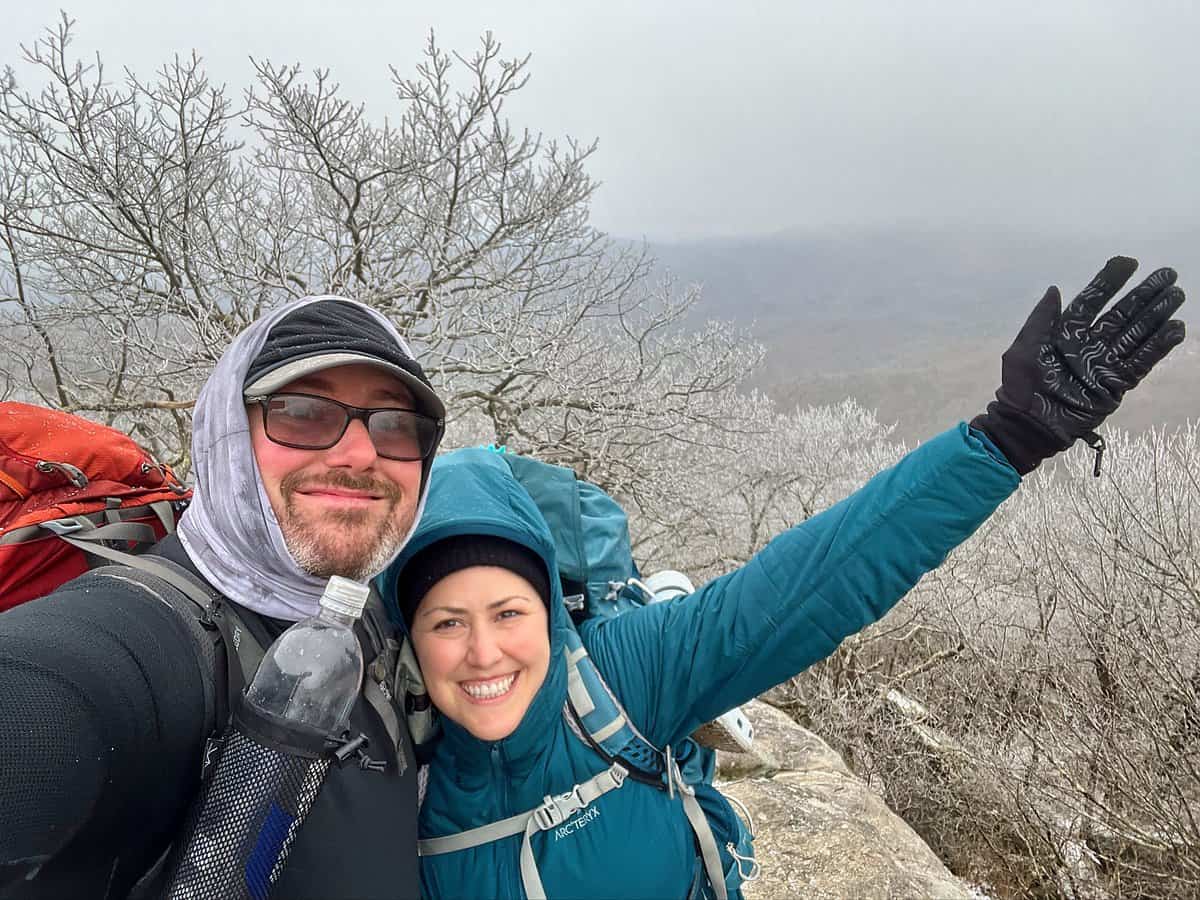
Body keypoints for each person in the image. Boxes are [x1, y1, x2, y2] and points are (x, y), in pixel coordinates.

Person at [380, 256, 1186, 900]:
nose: (483, 651)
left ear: (552, 611)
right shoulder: (386, 765)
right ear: (409, 641)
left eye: (509, 611)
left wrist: (1005, 439)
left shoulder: (623, 677)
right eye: (447, 622)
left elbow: (814, 580)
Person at [0, 296, 444, 899]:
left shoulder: (365, 611)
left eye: (395, 425)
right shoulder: (138, 641)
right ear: (226, 432)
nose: (361, 454)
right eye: (303, 412)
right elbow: (45, 692)